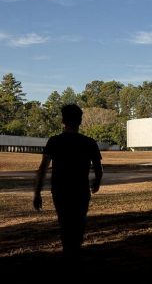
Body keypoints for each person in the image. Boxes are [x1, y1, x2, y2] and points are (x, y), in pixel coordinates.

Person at [33, 104, 103, 257]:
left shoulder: (54, 141)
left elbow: (43, 168)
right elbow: (98, 168)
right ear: (80, 121)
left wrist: (37, 193)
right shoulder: (89, 142)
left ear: (63, 120)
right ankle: (75, 252)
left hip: (60, 190)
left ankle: (68, 253)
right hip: (81, 190)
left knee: (64, 223)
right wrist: (96, 182)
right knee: (79, 223)